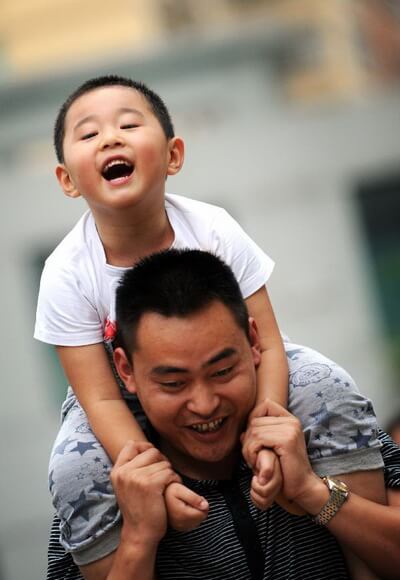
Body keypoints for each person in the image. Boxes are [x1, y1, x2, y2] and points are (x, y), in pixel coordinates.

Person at [46, 249, 400, 580]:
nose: (204, 404)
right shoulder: (94, 482)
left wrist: (311, 491)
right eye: (173, 383)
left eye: (222, 372)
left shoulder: (316, 414)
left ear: (254, 341)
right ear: (126, 371)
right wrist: (138, 539)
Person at [35, 73, 292, 543]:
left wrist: (267, 426)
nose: (110, 137)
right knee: (73, 460)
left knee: (318, 380)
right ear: (67, 180)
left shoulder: (212, 228)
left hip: (224, 361)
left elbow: (270, 342)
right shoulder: (65, 273)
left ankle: (368, 578)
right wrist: (156, 476)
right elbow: (100, 399)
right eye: (89, 134)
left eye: (129, 126)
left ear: (173, 155)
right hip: (113, 390)